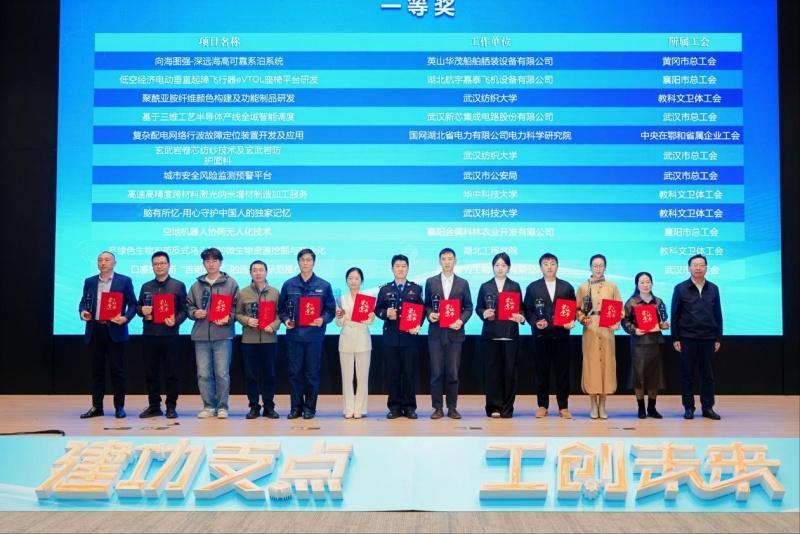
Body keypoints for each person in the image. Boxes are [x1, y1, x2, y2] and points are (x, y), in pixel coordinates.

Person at [277, 248, 336, 420]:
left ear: (314, 262)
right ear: (298, 262)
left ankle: (310, 408)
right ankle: (295, 407)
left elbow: (330, 310)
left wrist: (322, 319)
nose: (305, 263)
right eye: (302, 260)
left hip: (314, 337)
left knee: (312, 374)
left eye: (309, 260)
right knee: (295, 373)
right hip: (294, 336)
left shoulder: (324, 285)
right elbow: (281, 309)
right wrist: (286, 320)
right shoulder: (289, 284)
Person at [78, 251, 137, 419]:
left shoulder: (124, 281)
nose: (103, 263)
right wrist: (83, 312)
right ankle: (97, 407)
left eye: (106, 260)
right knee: (97, 372)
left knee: (117, 371)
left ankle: (119, 407)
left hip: (115, 330)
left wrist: (125, 318)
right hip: (95, 329)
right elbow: (83, 302)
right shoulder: (90, 281)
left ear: (114, 263)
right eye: (100, 260)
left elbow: (133, 305)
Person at [186, 247, 239, 419]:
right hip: (201, 336)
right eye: (207, 261)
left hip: (223, 335)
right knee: (203, 374)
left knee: (222, 373)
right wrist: (194, 313)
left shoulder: (231, 283)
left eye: (214, 260)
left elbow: (237, 308)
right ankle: (209, 406)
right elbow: (188, 305)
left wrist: (228, 318)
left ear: (220, 262)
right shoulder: (196, 285)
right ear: (203, 263)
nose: (211, 264)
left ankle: (222, 406)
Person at [523, 252, 577, 419]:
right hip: (541, 336)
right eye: (546, 264)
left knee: (562, 373)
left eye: (552, 263)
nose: (549, 267)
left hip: (561, 336)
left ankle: (563, 406)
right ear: (540, 267)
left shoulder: (566, 287)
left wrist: (571, 321)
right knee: (541, 373)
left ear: (557, 266)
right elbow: (527, 310)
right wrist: (535, 322)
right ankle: (542, 405)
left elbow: (573, 309)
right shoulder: (533, 287)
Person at [671, 254, 723, 420]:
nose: (698, 268)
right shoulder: (680, 288)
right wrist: (675, 338)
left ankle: (708, 407)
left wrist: (718, 338)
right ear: (689, 268)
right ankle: (689, 407)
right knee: (687, 375)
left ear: (706, 268)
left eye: (701, 265)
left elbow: (718, 314)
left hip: (708, 338)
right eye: (695, 265)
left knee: (708, 375)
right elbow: (674, 315)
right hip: (687, 338)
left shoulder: (713, 288)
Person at [136, 251, 187, 419]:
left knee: (172, 373)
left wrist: (176, 320)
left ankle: (171, 406)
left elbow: (184, 310)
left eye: (162, 263)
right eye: (156, 264)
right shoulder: (146, 286)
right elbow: (138, 307)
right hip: (149, 335)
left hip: (170, 335)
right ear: (152, 266)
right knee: (151, 373)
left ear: (169, 265)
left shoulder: (178, 286)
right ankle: (154, 406)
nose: (159, 266)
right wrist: (142, 310)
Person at [424, 248, 473, 419]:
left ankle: (452, 407)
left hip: (455, 334)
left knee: (453, 373)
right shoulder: (431, 282)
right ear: (440, 261)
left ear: (455, 261)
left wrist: (461, 320)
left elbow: (469, 307)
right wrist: (430, 314)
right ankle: (437, 408)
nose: (447, 262)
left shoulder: (463, 283)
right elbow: (426, 305)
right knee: (436, 373)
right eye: (444, 259)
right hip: (436, 333)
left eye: (450, 259)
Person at [475, 252, 525, 418]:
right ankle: (494, 408)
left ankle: (507, 408)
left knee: (510, 373)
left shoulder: (515, 286)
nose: (500, 268)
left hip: (510, 335)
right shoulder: (485, 286)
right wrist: (484, 313)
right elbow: (478, 307)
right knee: (492, 374)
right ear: (493, 267)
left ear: (509, 268)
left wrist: (521, 317)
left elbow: (521, 308)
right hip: (491, 335)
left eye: (503, 265)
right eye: (497, 265)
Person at [375, 254, 424, 419]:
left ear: (408, 268)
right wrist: (386, 313)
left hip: (410, 338)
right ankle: (394, 407)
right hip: (391, 338)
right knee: (393, 374)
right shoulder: (384, 289)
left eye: (403, 266)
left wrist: (418, 325)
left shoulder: (416, 289)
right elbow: (377, 309)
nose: (400, 269)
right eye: (397, 266)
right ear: (392, 269)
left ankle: (410, 407)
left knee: (409, 374)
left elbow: (422, 311)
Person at [576, 254, 622, 419]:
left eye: (601, 265)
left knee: (606, 365)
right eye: (595, 265)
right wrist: (583, 319)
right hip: (591, 328)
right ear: (590, 267)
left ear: (605, 267)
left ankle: (603, 405)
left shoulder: (612, 287)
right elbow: (577, 309)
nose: (598, 268)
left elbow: (620, 309)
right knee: (592, 364)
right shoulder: (583, 287)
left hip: (607, 329)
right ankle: (593, 405)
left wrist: (617, 322)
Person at [235, 260, 281, 420]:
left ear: (266, 272)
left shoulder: (275, 292)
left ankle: (269, 406)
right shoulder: (243, 293)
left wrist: (273, 326)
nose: (258, 273)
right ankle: (254, 406)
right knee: (251, 375)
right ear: (250, 273)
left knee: (270, 375)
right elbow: (237, 314)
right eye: (254, 270)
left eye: (261, 270)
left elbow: (280, 314)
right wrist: (246, 320)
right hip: (249, 341)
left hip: (269, 340)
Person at [621, 272, 668, 419]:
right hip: (639, 344)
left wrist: (663, 325)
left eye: (648, 282)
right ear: (637, 285)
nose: (645, 285)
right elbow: (625, 321)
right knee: (639, 376)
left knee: (654, 376)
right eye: (642, 282)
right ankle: (641, 408)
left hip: (654, 343)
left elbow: (664, 320)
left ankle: (652, 408)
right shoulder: (632, 302)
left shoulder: (658, 301)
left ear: (652, 283)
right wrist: (634, 330)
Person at [335, 267, 375, 419]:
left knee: (363, 377)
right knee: (347, 377)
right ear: (346, 280)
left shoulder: (367, 298)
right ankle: (348, 408)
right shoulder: (341, 299)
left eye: (356, 278)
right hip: (346, 339)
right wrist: (339, 316)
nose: (353, 281)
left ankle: (360, 409)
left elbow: (370, 321)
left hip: (363, 339)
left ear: (361, 281)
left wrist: (371, 317)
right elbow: (338, 323)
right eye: (350, 278)